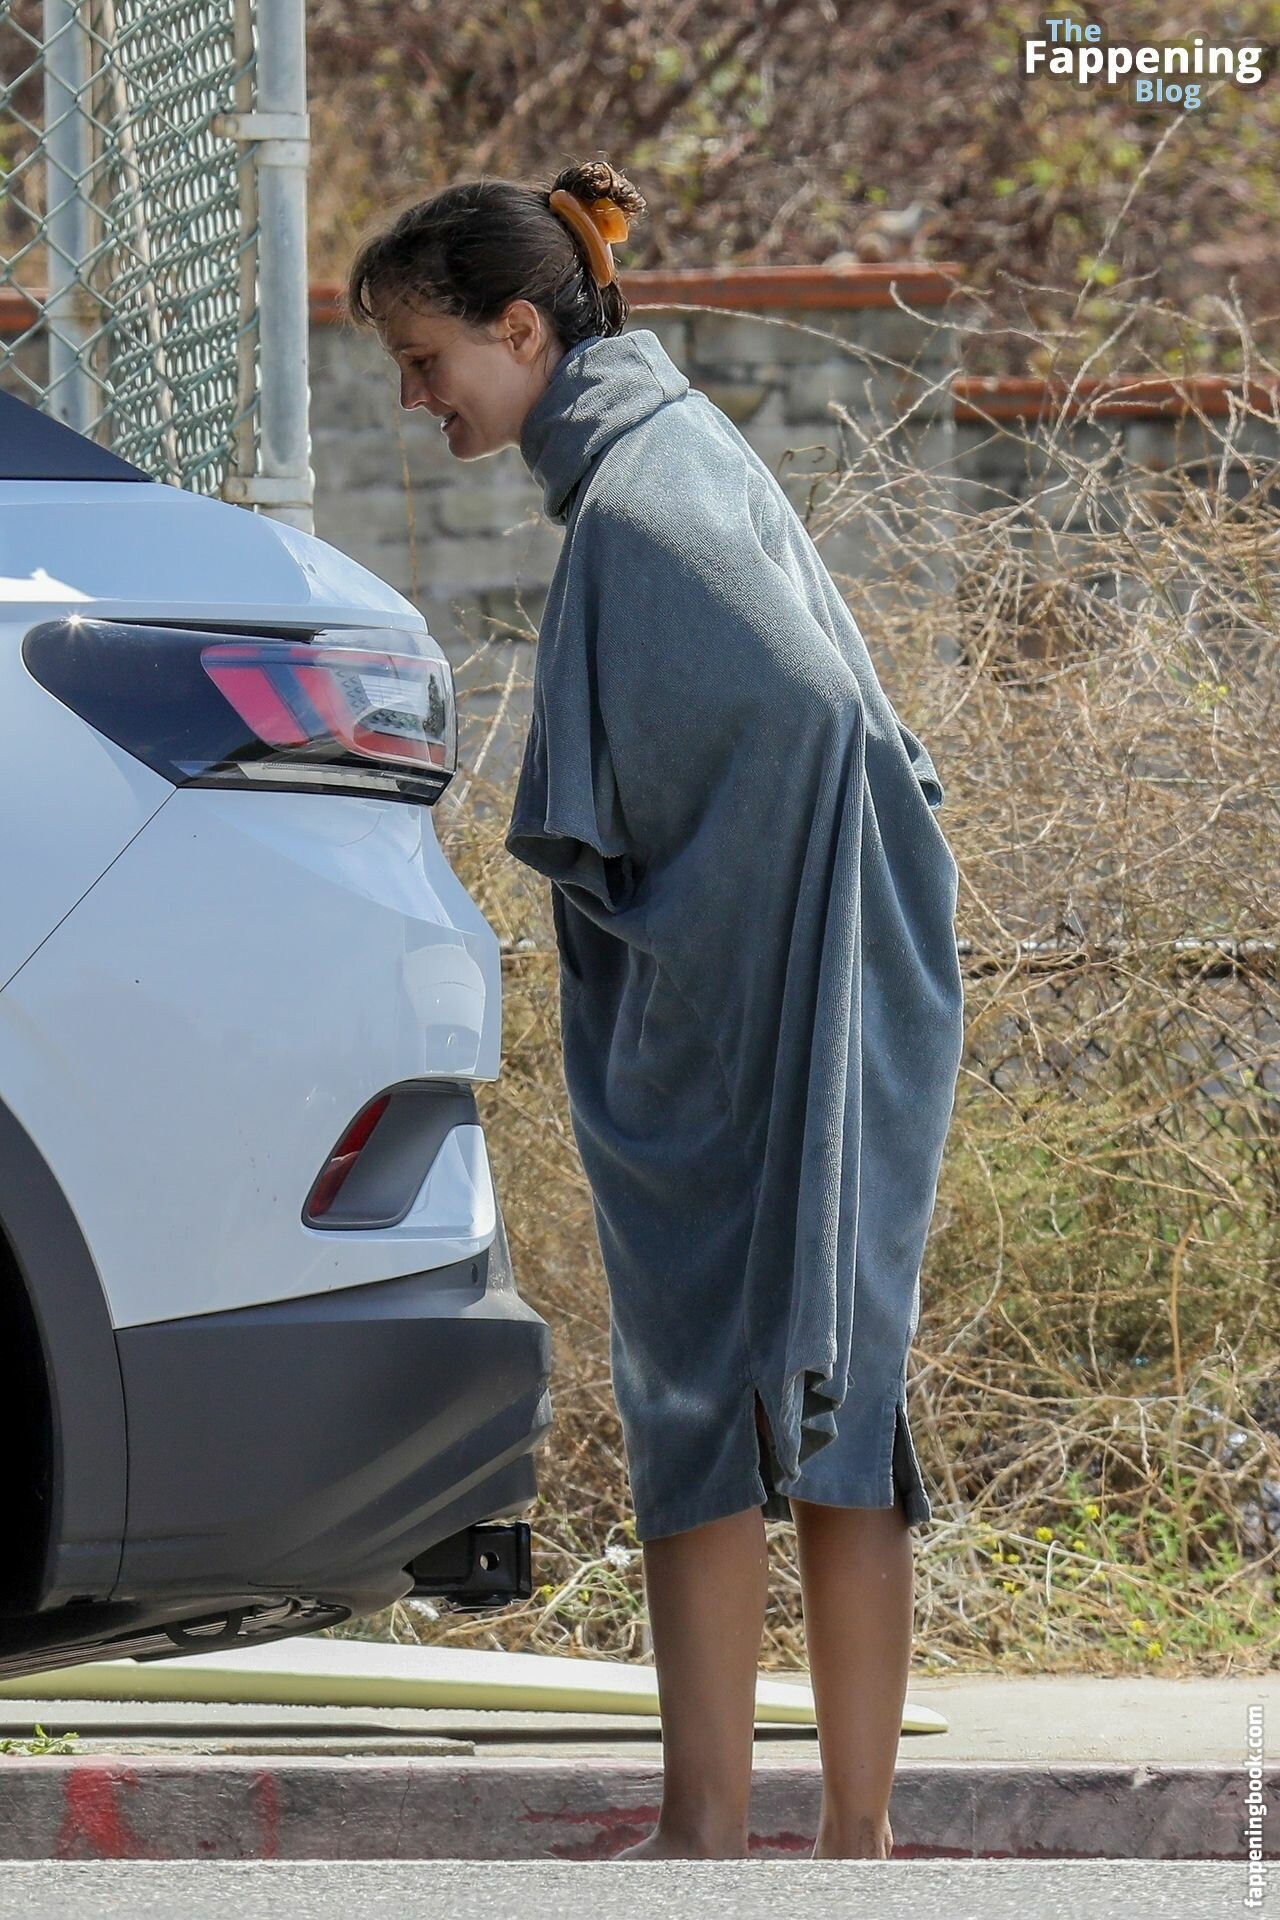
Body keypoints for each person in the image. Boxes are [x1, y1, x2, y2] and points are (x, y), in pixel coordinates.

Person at [344, 157, 966, 1863]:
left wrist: (709, 954)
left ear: (522, 330)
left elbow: (815, 724)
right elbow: (846, 739)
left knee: (714, 1388)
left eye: (424, 360)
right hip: (820, 999)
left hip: (760, 1020)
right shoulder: (660, 454)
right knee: (829, 1389)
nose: (413, 401)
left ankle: (714, 1837)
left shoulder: (635, 504)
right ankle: (846, 1841)